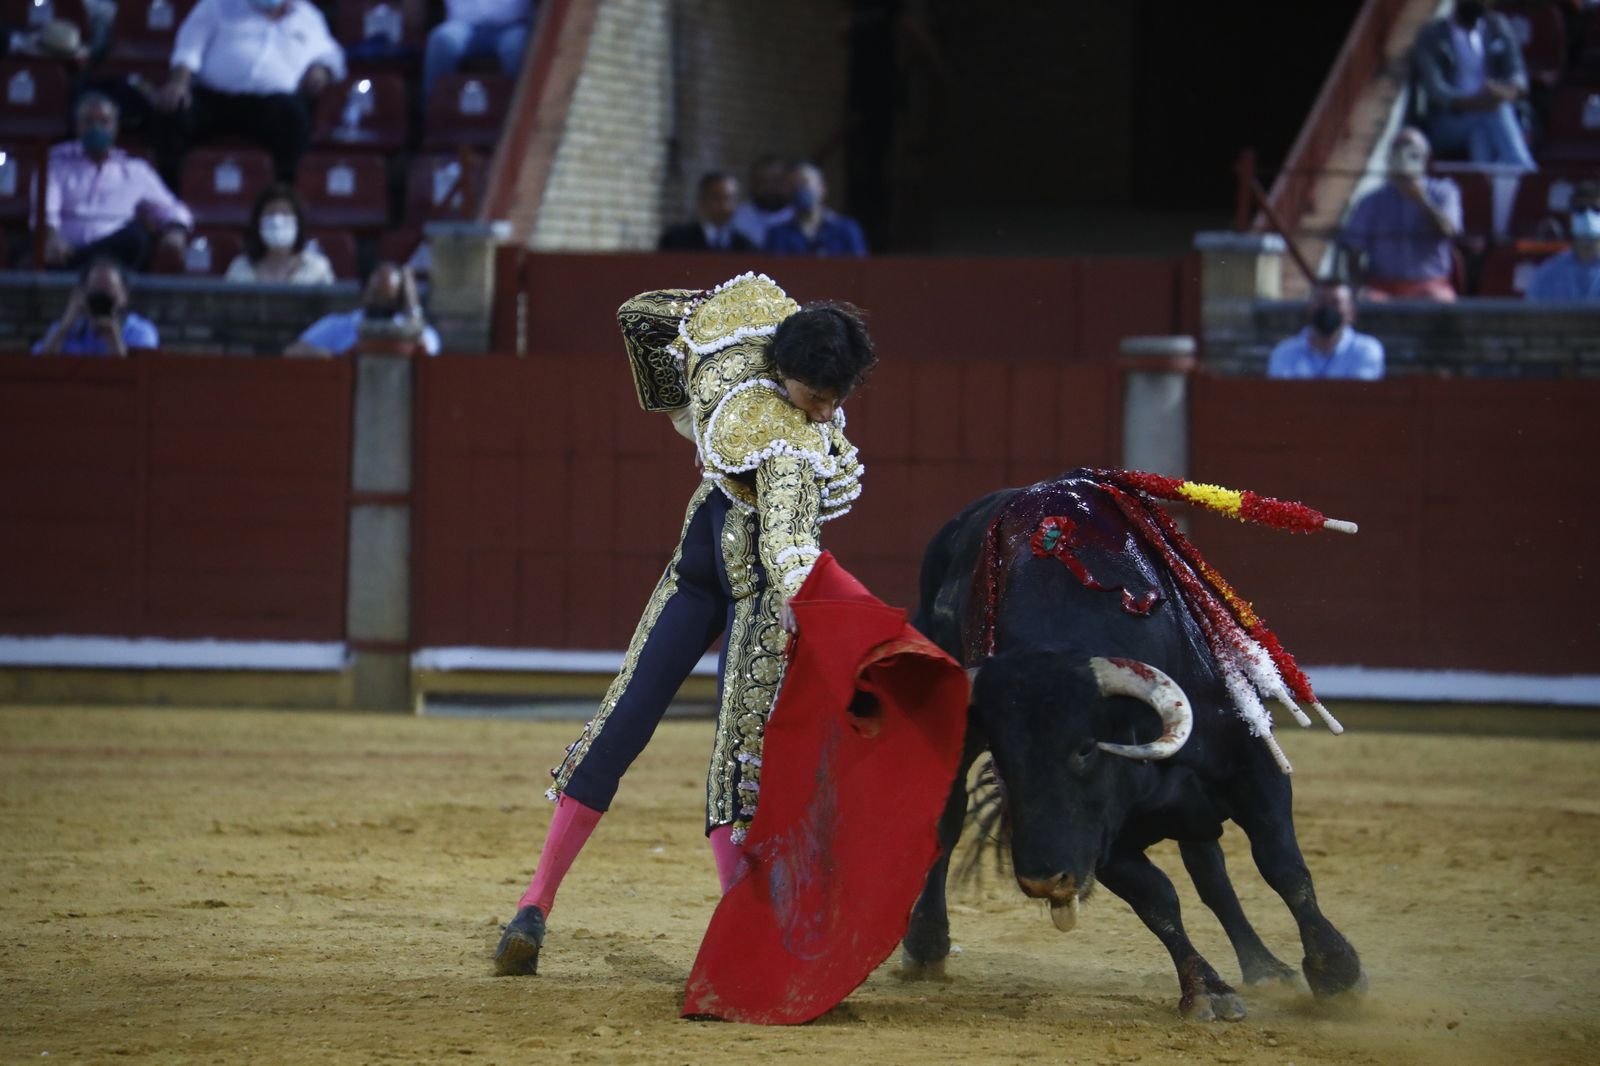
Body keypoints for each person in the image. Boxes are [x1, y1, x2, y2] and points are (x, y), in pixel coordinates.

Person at [492, 273, 877, 977]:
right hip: (752, 589)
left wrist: (680, 400)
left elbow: (641, 315)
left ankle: (538, 902)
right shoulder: (786, 440)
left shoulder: (738, 353)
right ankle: (553, 907)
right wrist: (825, 619)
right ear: (785, 370)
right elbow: (789, 553)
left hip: (703, 567)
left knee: (646, 728)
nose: (824, 415)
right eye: (816, 398)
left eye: (835, 400)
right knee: (726, 757)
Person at [152, 0, 346, 185]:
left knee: (295, 117)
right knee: (172, 110)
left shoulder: (308, 17)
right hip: (214, 100)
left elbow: (332, 54)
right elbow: (189, 46)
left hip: (271, 106)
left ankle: (283, 196)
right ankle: (169, 193)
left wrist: (323, 69)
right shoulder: (217, 5)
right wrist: (179, 82)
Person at [37, 93, 193, 272]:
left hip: (115, 256)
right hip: (65, 252)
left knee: (135, 239)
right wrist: (51, 237)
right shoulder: (55, 163)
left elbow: (172, 209)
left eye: (104, 122)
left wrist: (176, 231)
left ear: (115, 126)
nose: (96, 128)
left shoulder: (135, 171)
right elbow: (45, 208)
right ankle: (85, 271)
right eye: (88, 121)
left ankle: (84, 271)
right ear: (77, 125)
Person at [1411, 0, 1536, 172]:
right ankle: (1525, 171)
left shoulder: (1497, 25)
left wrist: (1505, 92)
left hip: (1490, 108)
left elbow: (1518, 73)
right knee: (1494, 111)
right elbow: (1436, 91)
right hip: (1449, 121)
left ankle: (1483, 183)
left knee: (1480, 135)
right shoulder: (1433, 35)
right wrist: (1477, 102)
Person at [1340, 128, 1463, 301]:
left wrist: (1421, 200)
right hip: (1382, 286)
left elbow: (1450, 231)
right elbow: (1353, 248)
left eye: (1412, 152)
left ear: (1425, 158)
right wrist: (1358, 283)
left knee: (1440, 302)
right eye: (1399, 150)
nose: (1405, 157)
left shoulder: (1444, 192)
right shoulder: (1371, 201)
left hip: (1430, 285)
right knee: (1365, 300)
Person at [285, 262, 439, 356]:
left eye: (388, 297)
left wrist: (412, 303)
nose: (381, 302)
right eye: (376, 294)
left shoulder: (417, 329)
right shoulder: (338, 325)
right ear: (365, 292)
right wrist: (336, 358)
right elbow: (292, 352)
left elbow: (427, 352)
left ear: (399, 300)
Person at [32, 257, 160, 356]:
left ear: (124, 296)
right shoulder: (65, 328)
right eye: (96, 294)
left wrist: (113, 339)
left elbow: (140, 376)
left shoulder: (140, 331)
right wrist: (64, 327)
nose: (101, 301)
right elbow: (39, 368)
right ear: (82, 293)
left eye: (109, 294)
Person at [1266, 281, 1386, 380]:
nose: (1327, 309)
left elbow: (1357, 397)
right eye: (1322, 302)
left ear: (1351, 312)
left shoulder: (1365, 350)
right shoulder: (1285, 352)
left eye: (1335, 303)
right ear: (1310, 308)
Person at [423, 0, 536, 99]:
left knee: (516, 45)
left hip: (512, 26)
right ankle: (434, 108)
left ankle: (519, 110)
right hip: (463, 25)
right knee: (442, 39)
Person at [224, 183, 334, 284]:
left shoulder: (317, 269)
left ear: (297, 222)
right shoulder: (240, 268)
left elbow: (332, 304)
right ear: (258, 222)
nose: (277, 221)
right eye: (270, 213)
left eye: (285, 213)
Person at [764, 163, 868, 257]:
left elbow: (860, 270)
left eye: (804, 183)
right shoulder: (777, 235)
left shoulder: (846, 230)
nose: (798, 189)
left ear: (821, 188)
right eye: (793, 185)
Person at [1526, 180, 1600, 301]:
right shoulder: (1547, 275)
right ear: (1570, 217)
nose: (1588, 216)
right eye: (1580, 210)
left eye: (1597, 210)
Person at [657, 171, 756, 252]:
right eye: (717, 198)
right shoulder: (676, 241)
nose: (724, 206)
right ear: (701, 201)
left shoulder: (746, 246)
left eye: (730, 199)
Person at [728, 154, 794, 249]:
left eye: (776, 181)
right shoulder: (738, 218)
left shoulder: (800, 215)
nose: (770, 187)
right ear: (752, 184)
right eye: (763, 181)